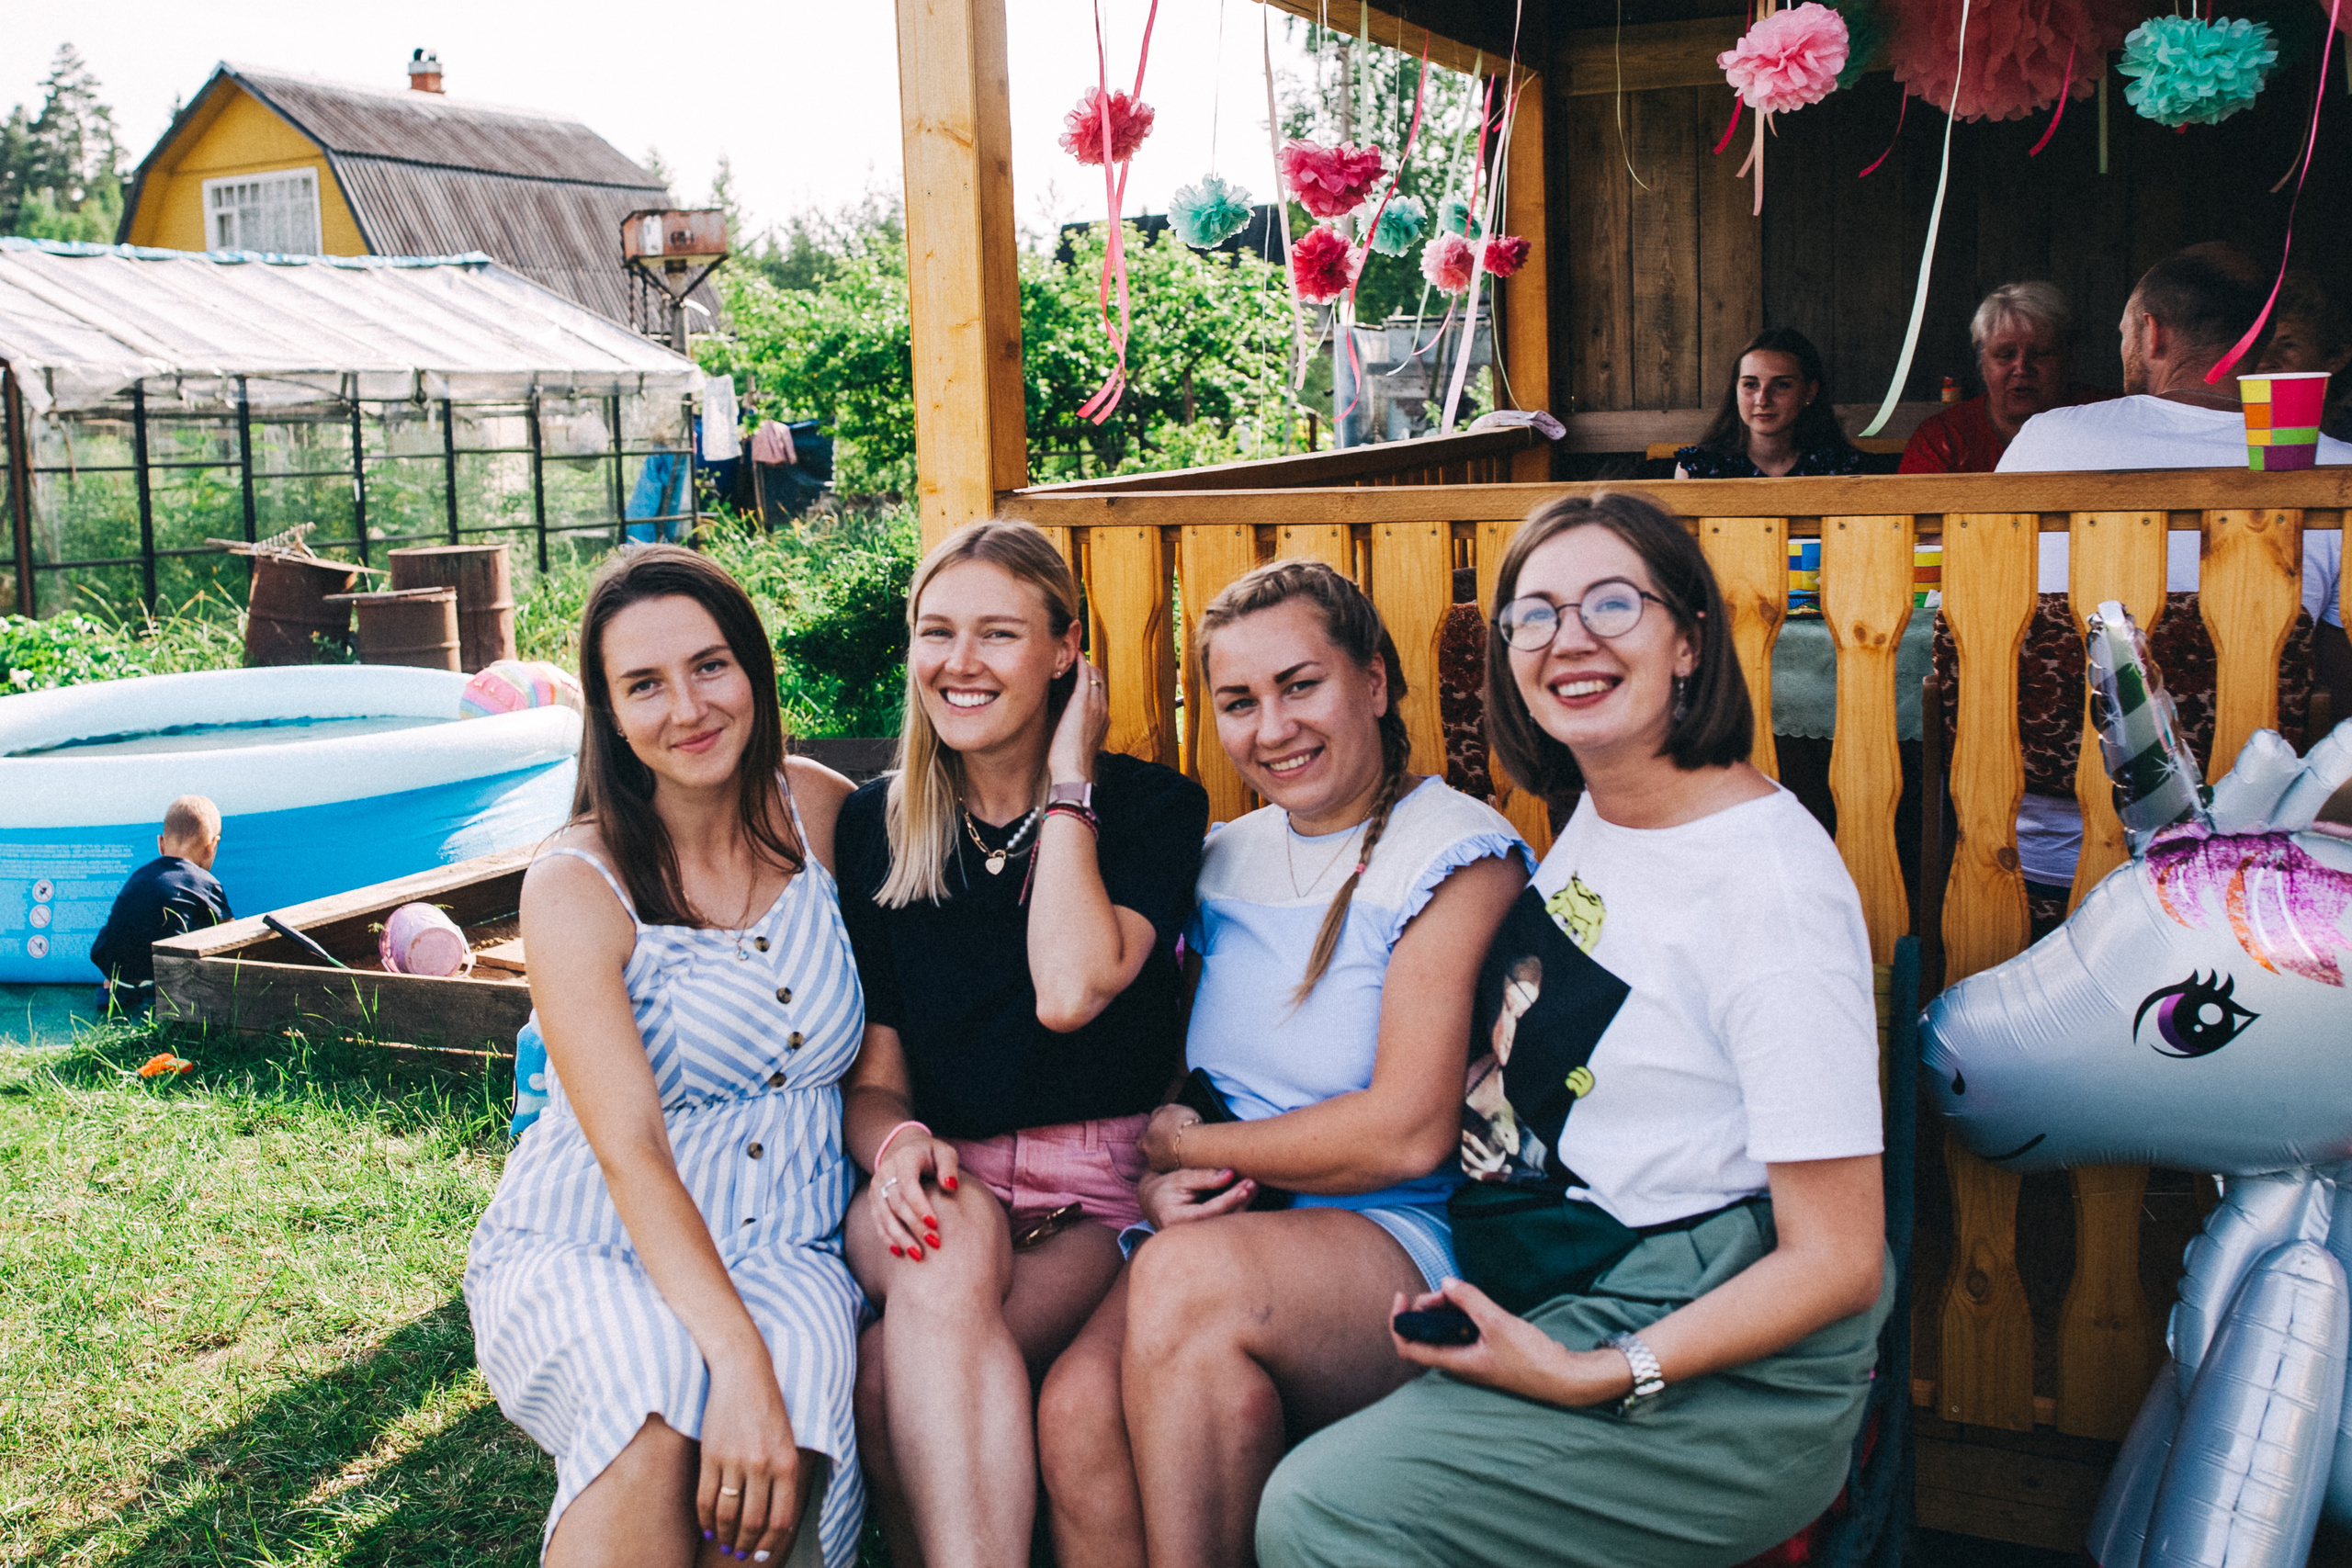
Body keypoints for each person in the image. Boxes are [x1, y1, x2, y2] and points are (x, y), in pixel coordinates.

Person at [1256, 491, 1891, 1568]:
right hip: (1551, 1266)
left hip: (1713, 1363)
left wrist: (1599, 1371)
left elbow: (1837, 1261)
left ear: (1689, 638)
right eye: (1535, 615)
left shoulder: (1767, 886)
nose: (1569, 640)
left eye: (1611, 603)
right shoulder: (1607, 807)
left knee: (1323, 1513)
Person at [1037, 559, 1528, 1568]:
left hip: (1400, 1235)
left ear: (1376, 684)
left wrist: (1194, 1146)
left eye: (1300, 685)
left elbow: (1406, 1129)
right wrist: (1160, 1179)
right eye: (1238, 702)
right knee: (1076, 1407)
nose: (1272, 728)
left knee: (1187, 1286)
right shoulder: (1222, 858)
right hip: (1222, 1237)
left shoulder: (1456, 853)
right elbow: (1172, 1079)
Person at [465, 545, 865, 1568]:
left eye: (709, 665)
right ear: (608, 712)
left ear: (754, 672)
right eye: (644, 684)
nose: (686, 707)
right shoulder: (575, 885)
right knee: (656, 1409)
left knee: (795, 1430)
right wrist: (729, 1355)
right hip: (594, 1241)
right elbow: (630, 1148)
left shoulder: (822, 815)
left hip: (788, 1244)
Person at [831, 520, 1208, 1568]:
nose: (959, 663)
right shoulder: (879, 827)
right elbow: (877, 1080)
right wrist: (896, 1142)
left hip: (1089, 1199)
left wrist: (1067, 786)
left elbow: (1070, 989)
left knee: (881, 1379)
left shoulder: (1150, 809)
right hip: (935, 1179)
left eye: (997, 634)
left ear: (1064, 650)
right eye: (935, 632)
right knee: (944, 1250)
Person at [1999, 243, 2352, 891]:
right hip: (2253, 867)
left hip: (2029, 855)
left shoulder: (2045, 443)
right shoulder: (2330, 466)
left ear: (2151, 333)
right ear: (2263, 342)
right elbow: (2336, 692)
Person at [1898, 282, 2113, 472]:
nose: (2022, 368)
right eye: (2005, 355)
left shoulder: (2110, 418)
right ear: (1982, 363)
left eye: (2040, 354)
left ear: (2070, 359)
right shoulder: (1942, 440)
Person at [89, 793, 232, 1012]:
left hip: (115, 970)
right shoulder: (206, 883)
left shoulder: (140, 875)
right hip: (165, 980)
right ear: (212, 846)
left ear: (161, 844)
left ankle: (120, 986)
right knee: (207, 930)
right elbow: (231, 933)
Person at [1674, 328, 1865, 479]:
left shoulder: (1845, 468)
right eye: (1750, 384)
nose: (1762, 400)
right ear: (1736, 390)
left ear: (1809, 391)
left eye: (1782, 385)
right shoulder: (1698, 469)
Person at [2257, 271, 2351, 442]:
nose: (2264, 361)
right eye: (2259, 345)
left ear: (2336, 360)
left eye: (2288, 345)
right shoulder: (2228, 433)